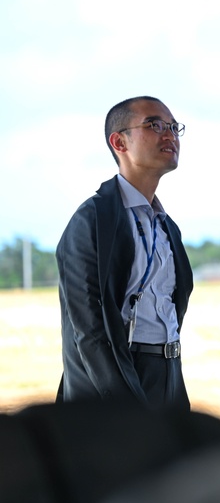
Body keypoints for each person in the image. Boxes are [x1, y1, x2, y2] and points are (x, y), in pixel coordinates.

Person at [56, 96, 192, 410]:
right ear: (119, 142)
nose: (169, 135)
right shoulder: (92, 220)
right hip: (115, 378)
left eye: (174, 127)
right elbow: (90, 329)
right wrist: (123, 405)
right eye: (154, 125)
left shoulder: (166, 225)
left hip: (168, 372)